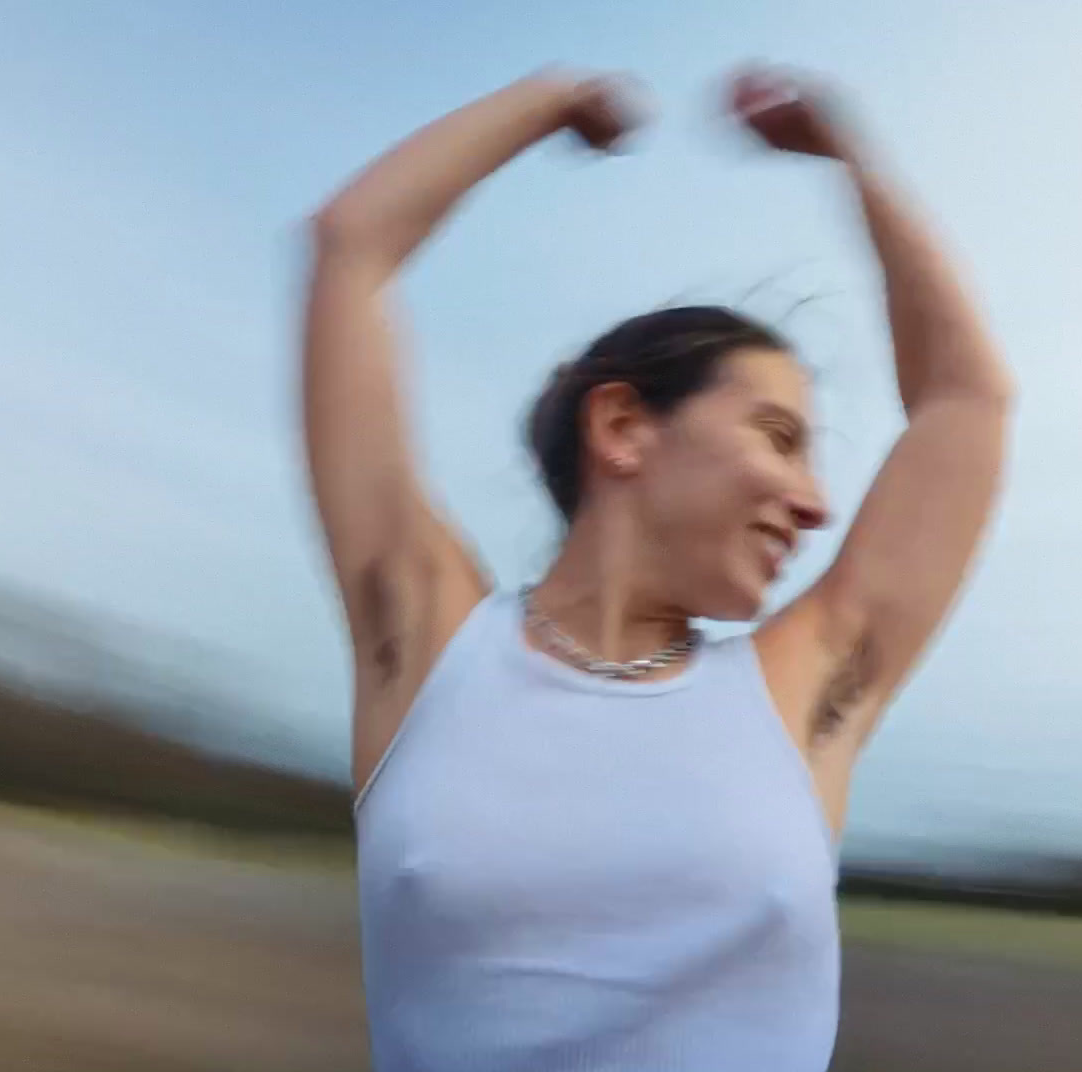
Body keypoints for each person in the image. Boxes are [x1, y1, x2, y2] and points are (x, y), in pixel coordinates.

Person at [301, 63, 1013, 1072]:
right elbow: (351, 247)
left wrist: (849, 160)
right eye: (778, 435)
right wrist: (545, 99)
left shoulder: (806, 690)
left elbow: (965, 402)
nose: (815, 504)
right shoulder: (420, 643)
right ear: (625, 427)